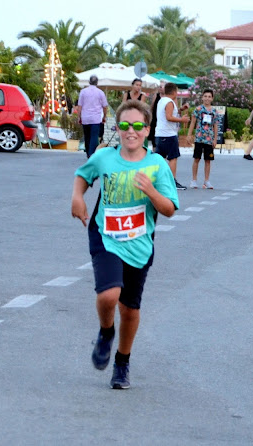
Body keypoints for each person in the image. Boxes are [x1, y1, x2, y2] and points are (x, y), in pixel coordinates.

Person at [71, 100, 179, 389]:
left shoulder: (156, 164)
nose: (131, 131)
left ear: (147, 130)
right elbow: (83, 175)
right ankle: (106, 331)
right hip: (105, 236)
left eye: (138, 125)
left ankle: (122, 361)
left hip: (139, 244)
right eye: (125, 125)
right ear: (117, 128)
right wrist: (78, 197)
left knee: (130, 310)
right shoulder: (104, 157)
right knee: (109, 295)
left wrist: (151, 191)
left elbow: (169, 209)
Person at [154, 82, 189, 190]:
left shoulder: (162, 100)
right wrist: (182, 120)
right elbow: (169, 117)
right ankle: (172, 181)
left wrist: (181, 109)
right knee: (173, 158)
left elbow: (170, 113)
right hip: (168, 134)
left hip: (159, 134)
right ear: (174, 92)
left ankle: (158, 180)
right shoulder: (169, 102)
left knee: (160, 158)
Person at [187, 89, 218, 189]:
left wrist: (215, 139)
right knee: (197, 158)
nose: (207, 98)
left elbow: (215, 125)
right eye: (205, 96)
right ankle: (194, 180)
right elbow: (193, 122)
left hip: (209, 139)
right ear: (202, 97)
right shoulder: (198, 109)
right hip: (199, 138)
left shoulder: (214, 111)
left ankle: (206, 181)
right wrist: (189, 134)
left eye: (209, 97)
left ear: (212, 98)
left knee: (208, 160)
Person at [75, 75, 108, 158]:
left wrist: (79, 117)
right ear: (97, 83)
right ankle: (91, 153)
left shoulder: (83, 92)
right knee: (94, 136)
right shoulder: (100, 93)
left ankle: (87, 152)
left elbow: (80, 106)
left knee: (87, 135)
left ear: (89, 82)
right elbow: (105, 106)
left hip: (85, 117)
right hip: (96, 118)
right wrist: (104, 116)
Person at [148, 80, 166, 149]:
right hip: (155, 119)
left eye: (162, 86)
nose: (160, 88)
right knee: (154, 141)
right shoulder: (156, 95)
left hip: (164, 120)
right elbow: (152, 106)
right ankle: (154, 152)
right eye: (159, 86)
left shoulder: (168, 97)